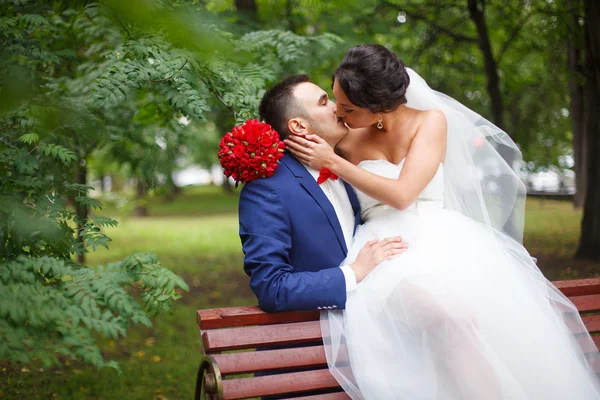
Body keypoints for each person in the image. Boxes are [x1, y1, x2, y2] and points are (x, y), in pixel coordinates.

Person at [285, 44, 600, 399]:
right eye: (337, 101)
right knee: (449, 317)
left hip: (446, 239)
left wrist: (337, 163)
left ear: (378, 108)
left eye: (347, 107)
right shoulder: (344, 137)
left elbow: (404, 194)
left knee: (493, 325)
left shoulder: (430, 121)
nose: (339, 113)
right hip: (386, 249)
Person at [239, 74, 407, 314]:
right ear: (298, 126)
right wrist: (353, 273)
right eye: (324, 102)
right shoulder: (266, 190)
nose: (337, 108)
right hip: (312, 342)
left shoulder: (346, 167)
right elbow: (272, 288)